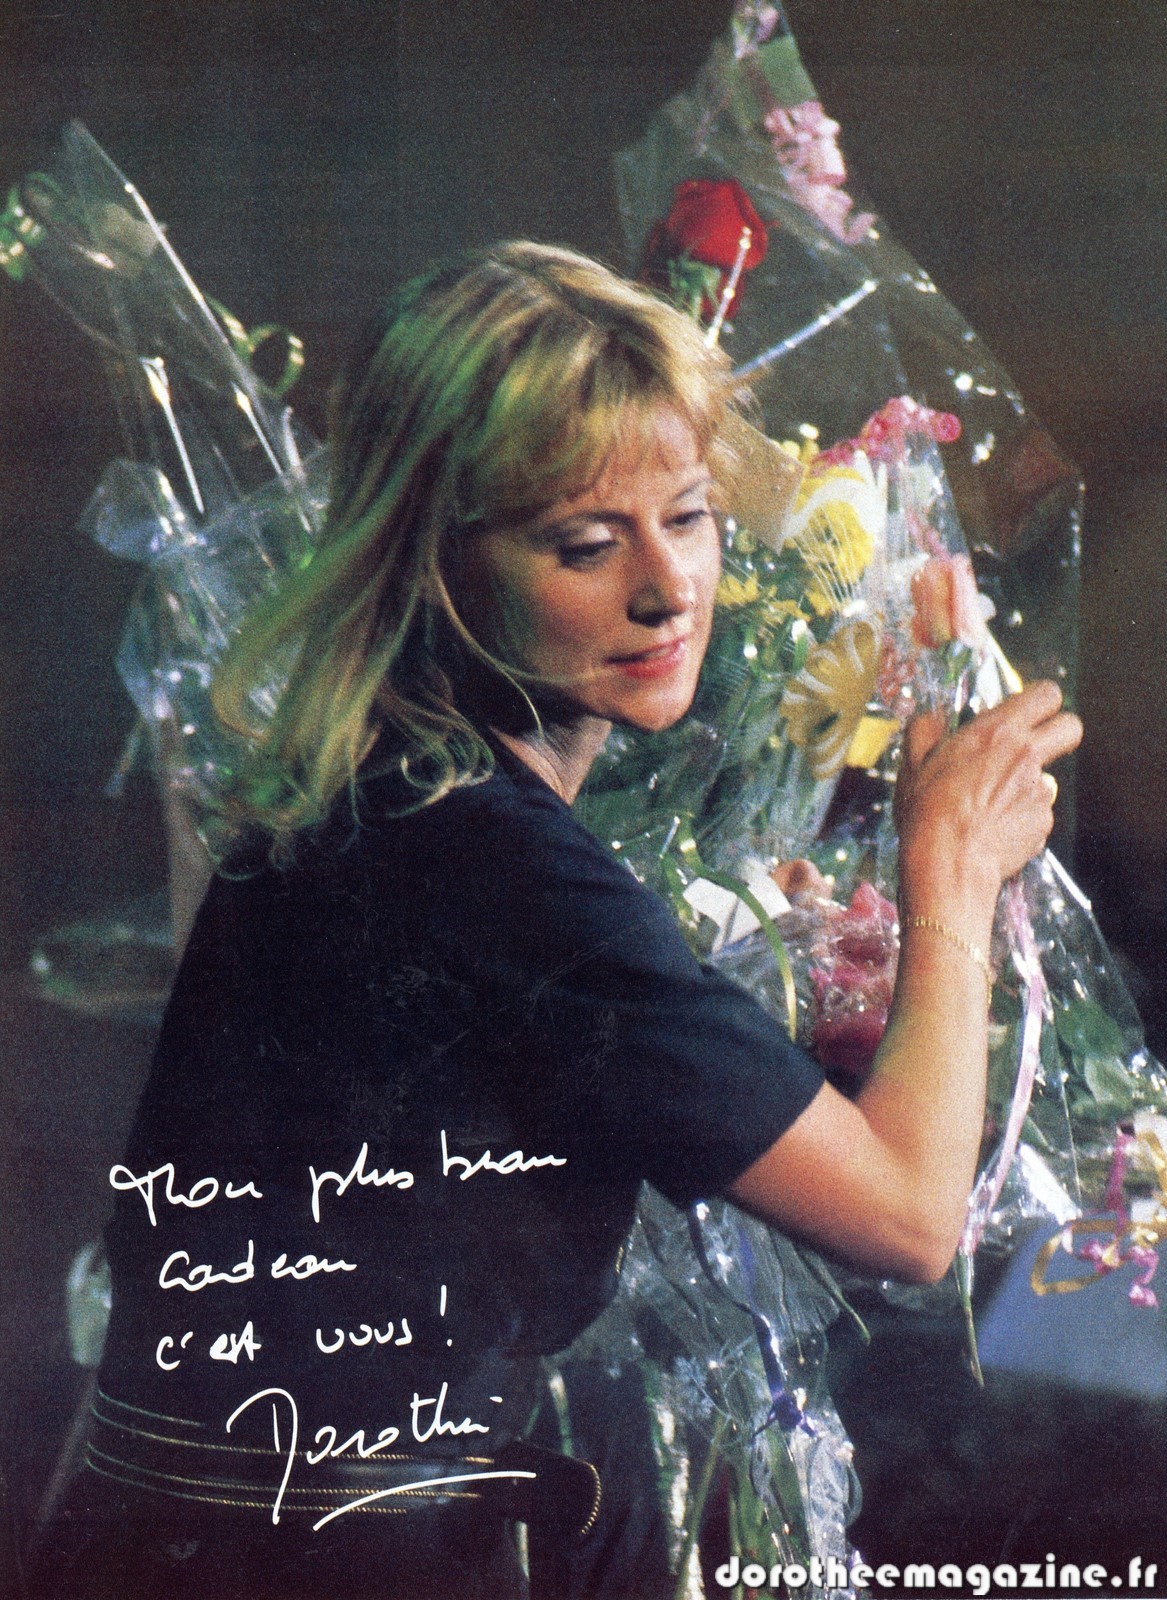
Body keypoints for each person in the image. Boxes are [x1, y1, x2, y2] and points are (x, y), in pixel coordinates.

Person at [30, 241, 1081, 1600]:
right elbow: (909, 1219)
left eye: (690, 516)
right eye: (584, 543)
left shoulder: (375, 794)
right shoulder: (493, 869)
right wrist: (953, 873)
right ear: (434, 557)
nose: (668, 586)